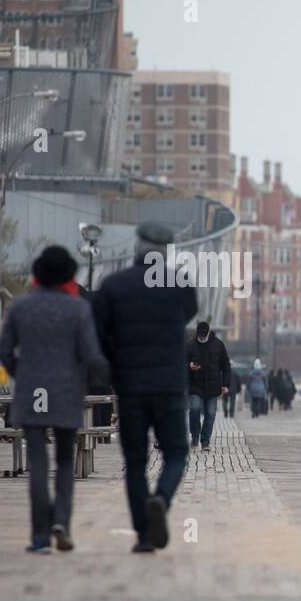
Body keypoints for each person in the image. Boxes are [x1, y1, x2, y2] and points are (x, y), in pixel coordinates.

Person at [91, 223, 200, 553]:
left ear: (137, 247)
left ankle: (143, 536)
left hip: (131, 387)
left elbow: (98, 336)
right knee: (177, 454)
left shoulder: (112, 286)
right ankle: (161, 500)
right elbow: (189, 314)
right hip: (169, 386)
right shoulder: (179, 285)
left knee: (135, 462)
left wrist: (116, 368)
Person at [0, 246, 109, 553]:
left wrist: (23, 374)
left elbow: (4, 351)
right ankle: (61, 520)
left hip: (31, 392)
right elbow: (91, 355)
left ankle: (39, 537)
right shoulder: (78, 310)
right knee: (63, 460)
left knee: (37, 462)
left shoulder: (21, 307)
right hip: (67, 392)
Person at [186, 320, 231, 452]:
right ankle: (195, 435)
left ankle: (205, 440)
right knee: (194, 409)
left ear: (208, 333)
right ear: (197, 333)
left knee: (210, 414)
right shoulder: (190, 345)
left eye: (204, 335)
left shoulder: (218, 345)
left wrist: (226, 384)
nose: (202, 337)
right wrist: (189, 366)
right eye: (200, 335)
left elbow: (226, 366)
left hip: (213, 386)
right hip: (195, 384)